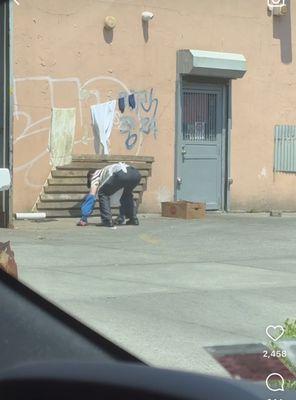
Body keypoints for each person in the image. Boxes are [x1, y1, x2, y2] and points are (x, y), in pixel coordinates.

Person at [77, 162, 141, 227]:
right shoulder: (106, 171)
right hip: (136, 174)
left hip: (121, 174)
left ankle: (107, 220)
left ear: (90, 176)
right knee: (126, 194)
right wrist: (121, 215)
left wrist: (84, 217)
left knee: (102, 193)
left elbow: (91, 196)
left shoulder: (95, 175)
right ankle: (133, 219)